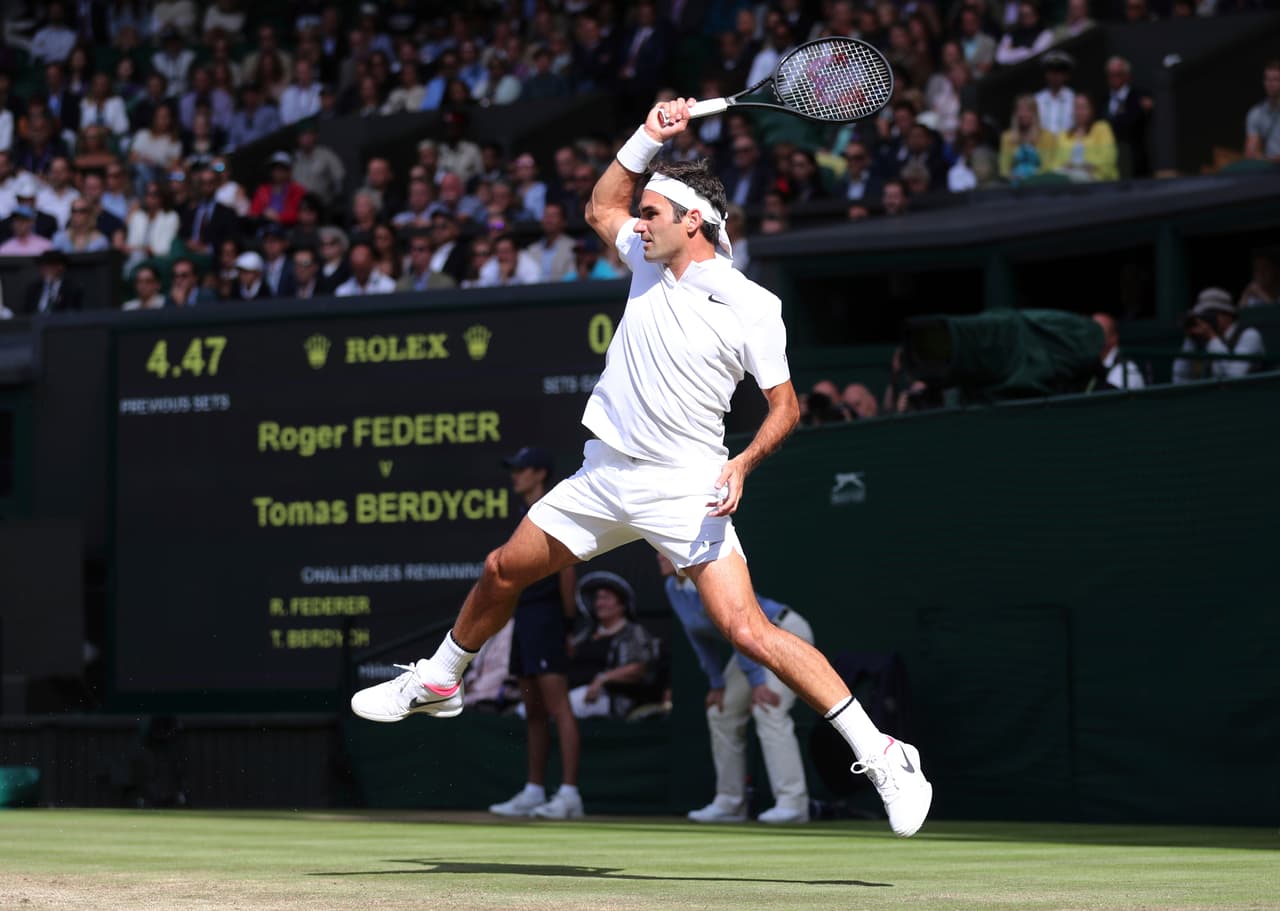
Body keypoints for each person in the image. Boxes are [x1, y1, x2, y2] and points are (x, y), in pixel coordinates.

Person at [350, 97, 933, 838]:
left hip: (685, 484)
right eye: (644, 213)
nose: (639, 221)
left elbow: (784, 407)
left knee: (747, 630)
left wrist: (745, 464)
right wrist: (648, 136)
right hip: (603, 475)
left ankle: (885, 754)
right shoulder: (646, 257)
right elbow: (601, 202)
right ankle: (439, 679)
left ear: (694, 221)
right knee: (502, 568)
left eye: (654, 212)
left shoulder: (753, 305)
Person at [658, 553, 812, 824]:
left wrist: (758, 684)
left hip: (784, 633)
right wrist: (716, 683)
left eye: (662, 549)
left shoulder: (708, 581)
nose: (658, 555)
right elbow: (698, 637)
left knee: (767, 709)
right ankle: (730, 803)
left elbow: (741, 630)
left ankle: (793, 803)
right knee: (721, 712)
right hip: (750, 646)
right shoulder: (674, 588)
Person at [486, 446, 584, 822]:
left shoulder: (553, 507)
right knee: (533, 710)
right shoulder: (525, 514)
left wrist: (569, 625)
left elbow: (567, 570)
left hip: (548, 618)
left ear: (540, 473)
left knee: (559, 708)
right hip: (525, 618)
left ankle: (571, 793)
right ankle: (534, 789)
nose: (515, 475)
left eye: (521, 469)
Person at [562, 572, 661, 721]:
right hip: (572, 692)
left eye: (606, 598)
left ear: (622, 604)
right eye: (597, 598)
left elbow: (639, 669)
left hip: (610, 699)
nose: (599, 603)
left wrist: (601, 680)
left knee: (558, 709)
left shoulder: (633, 632)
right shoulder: (586, 634)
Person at [1172, 287, 1267, 383]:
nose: (1202, 322)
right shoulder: (1209, 341)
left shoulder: (1250, 335)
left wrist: (1212, 337)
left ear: (1225, 315)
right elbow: (1179, 378)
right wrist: (1191, 338)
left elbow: (1235, 375)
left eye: (1206, 316)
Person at [1053, 95, 1118, 182]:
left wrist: (1079, 165)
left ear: (1091, 110)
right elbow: (1055, 163)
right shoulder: (1063, 135)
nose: (1079, 112)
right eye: (1077, 107)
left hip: (1097, 179)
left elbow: (1107, 158)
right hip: (1066, 176)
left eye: (1083, 107)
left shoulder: (1102, 128)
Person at [1091, 313, 1144, 390]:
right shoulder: (1090, 364)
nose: (1090, 337)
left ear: (1113, 338)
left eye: (1097, 332)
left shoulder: (1126, 370)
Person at [21, 249, 83, 315]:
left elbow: (73, 313)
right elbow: (25, 313)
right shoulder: (33, 288)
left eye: (51, 265)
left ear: (61, 267)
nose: (47, 269)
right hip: (36, 322)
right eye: (44, 265)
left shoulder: (72, 288)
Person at [1243, 60, 1280, 164]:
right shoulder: (1256, 113)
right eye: (1268, 79)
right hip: (1270, 171)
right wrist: (1267, 160)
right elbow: (1250, 153)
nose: (1271, 84)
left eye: (1276, 79)